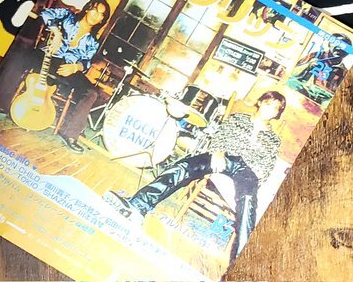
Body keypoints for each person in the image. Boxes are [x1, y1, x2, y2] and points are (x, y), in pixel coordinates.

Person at [105, 90, 286, 264]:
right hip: (224, 156)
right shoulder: (238, 118)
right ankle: (138, 205)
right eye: (268, 104)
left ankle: (241, 259)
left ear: (277, 114)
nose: (269, 110)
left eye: (275, 108)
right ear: (260, 103)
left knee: (248, 199)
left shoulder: (274, 140)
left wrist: (257, 175)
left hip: (247, 169)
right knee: (185, 166)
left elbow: (267, 165)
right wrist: (217, 151)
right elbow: (221, 136)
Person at [0, 0, 110, 150]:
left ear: (102, 20)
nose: (96, 15)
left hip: (67, 68)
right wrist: (56, 32)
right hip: (47, 55)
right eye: (95, 10)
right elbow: (45, 13)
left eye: (101, 15)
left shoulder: (93, 41)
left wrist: (76, 67)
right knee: (19, 56)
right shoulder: (67, 16)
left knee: (91, 93)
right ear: (88, 8)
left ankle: (69, 133)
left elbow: (86, 62)